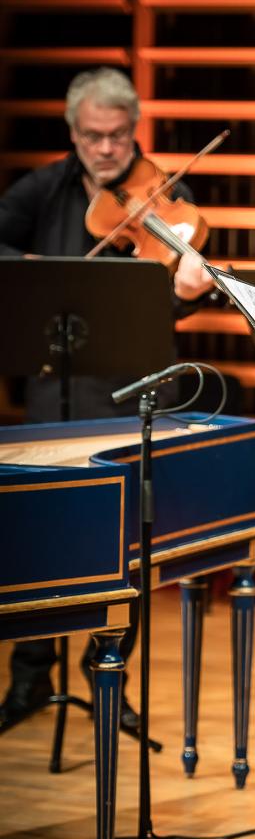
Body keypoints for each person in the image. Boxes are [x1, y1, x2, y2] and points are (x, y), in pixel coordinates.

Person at [0, 66, 213, 733]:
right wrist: (30, 274)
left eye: (119, 137)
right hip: (52, 389)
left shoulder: (166, 194)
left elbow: (175, 302)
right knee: (35, 540)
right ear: (74, 133)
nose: (106, 150)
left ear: (134, 132)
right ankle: (30, 679)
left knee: (124, 544)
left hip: (129, 389)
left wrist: (183, 290)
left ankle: (110, 682)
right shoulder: (48, 186)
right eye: (93, 137)